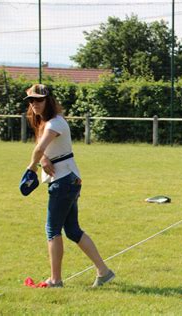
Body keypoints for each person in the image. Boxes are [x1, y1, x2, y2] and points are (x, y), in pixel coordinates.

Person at [24, 84, 114, 288]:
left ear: (48, 100)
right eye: (31, 100)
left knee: (52, 230)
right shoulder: (47, 123)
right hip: (69, 179)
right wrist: (44, 158)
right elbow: (43, 149)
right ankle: (104, 271)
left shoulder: (55, 122)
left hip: (63, 182)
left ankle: (55, 280)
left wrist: (32, 167)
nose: (34, 104)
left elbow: (40, 147)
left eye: (38, 99)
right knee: (72, 230)